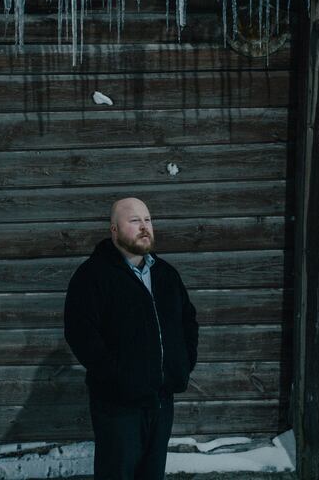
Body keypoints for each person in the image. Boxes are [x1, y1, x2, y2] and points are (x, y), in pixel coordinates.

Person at [64, 197, 199, 480]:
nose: (144, 227)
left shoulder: (166, 275)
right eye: (134, 220)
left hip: (161, 400)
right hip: (118, 404)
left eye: (147, 220)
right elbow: (80, 334)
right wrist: (118, 377)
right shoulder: (93, 276)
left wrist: (182, 365)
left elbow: (188, 322)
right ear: (114, 229)